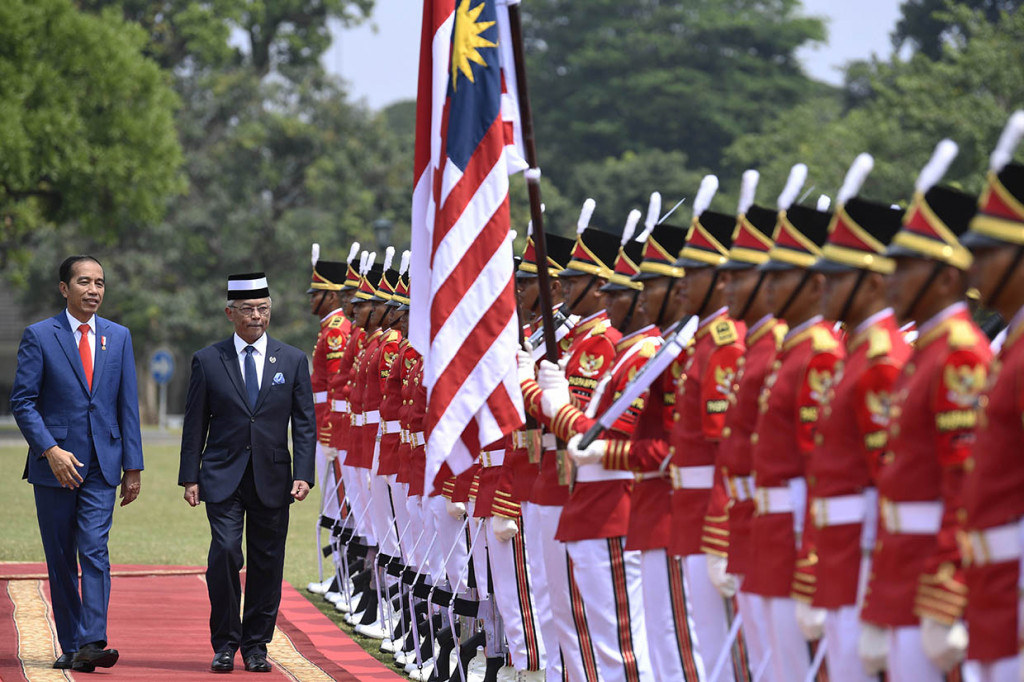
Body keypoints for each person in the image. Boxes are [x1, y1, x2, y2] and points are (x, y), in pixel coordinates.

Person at [10, 254, 144, 672]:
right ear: (64, 288)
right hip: (54, 469)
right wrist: (50, 449)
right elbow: (23, 401)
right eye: (84, 282)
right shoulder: (39, 335)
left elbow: (127, 405)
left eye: (100, 283)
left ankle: (92, 640)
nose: (94, 290)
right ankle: (72, 644)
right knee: (61, 558)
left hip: (103, 466)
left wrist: (133, 467)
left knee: (94, 550)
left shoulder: (118, 337)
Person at [178, 272, 315, 674]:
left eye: (263, 309)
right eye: (249, 310)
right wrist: (190, 476)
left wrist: (303, 471)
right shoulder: (208, 359)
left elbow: (304, 423)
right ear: (230, 313)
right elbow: (194, 423)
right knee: (223, 553)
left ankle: (256, 644)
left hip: (273, 479)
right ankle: (225, 642)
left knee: (267, 562)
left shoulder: (291, 360)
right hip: (221, 475)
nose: (257, 317)